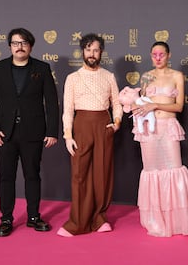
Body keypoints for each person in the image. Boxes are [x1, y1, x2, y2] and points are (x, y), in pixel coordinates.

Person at [0, 27, 59, 237]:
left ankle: (33, 216)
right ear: (10, 46)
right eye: (16, 43)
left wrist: (52, 131)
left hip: (33, 133)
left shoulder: (42, 68)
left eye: (24, 43)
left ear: (30, 46)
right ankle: (6, 218)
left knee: (32, 175)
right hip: (4, 134)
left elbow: (52, 102)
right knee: (6, 177)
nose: (19, 47)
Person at [132, 41, 188, 237]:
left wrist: (154, 105)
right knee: (152, 172)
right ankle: (157, 221)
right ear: (150, 56)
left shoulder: (177, 76)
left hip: (168, 129)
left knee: (174, 171)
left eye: (162, 54)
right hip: (149, 131)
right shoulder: (145, 77)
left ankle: (185, 221)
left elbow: (178, 107)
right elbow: (142, 104)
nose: (158, 58)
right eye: (154, 55)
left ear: (168, 55)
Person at [57, 33, 123, 237]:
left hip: (104, 126)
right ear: (82, 52)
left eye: (96, 50)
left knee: (102, 174)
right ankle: (78, 221)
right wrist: (68, 135)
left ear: (101, 52)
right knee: (80, 175)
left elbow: (117, 104)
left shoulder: (109, 76)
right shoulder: (72, 78)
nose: (92, 54)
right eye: (88, 50)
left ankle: (99, 218)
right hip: (81, 127)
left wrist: (116, 124)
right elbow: (67, 109)